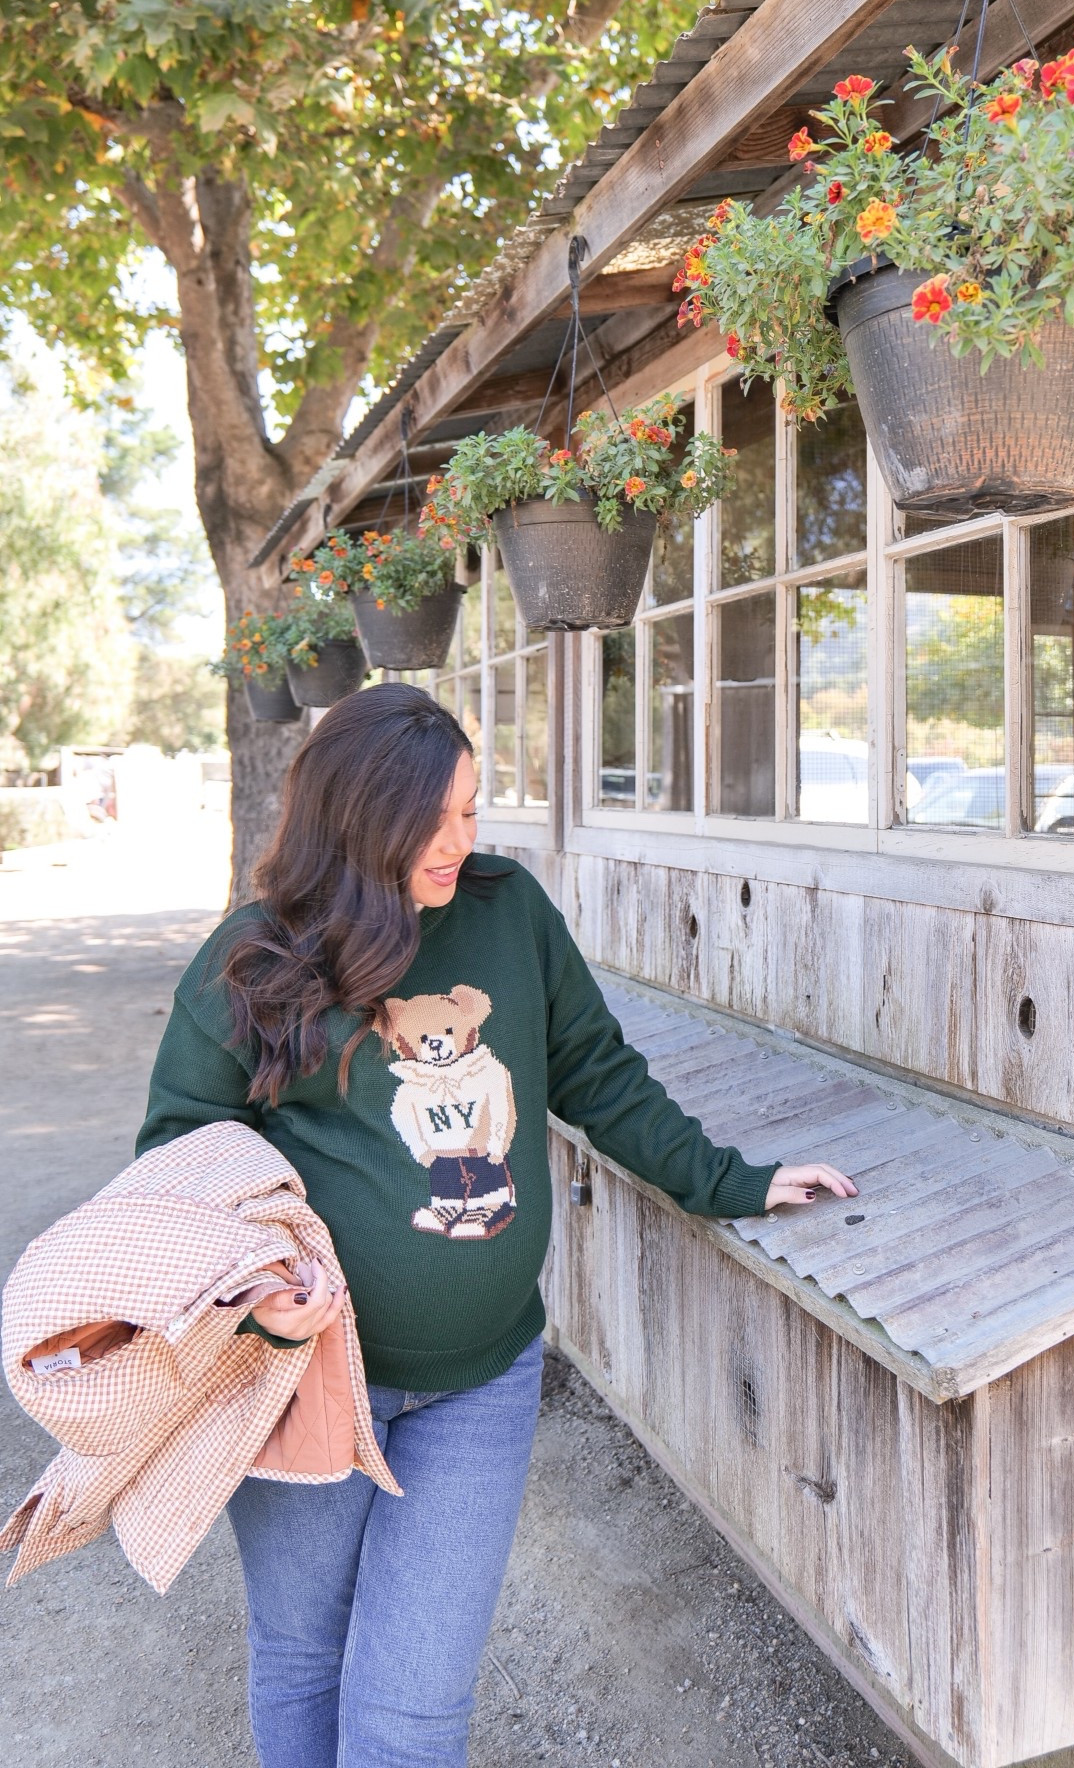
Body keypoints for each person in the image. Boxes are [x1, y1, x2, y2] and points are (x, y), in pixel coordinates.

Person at [137, 683, 855, 1768]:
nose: (458, 841)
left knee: (412, 1712)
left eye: (470, 810)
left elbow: (598, 1073)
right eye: (429, 820)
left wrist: (729, 1179)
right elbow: (178, 1154)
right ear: (353, 816)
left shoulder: (508, 910)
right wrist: (253, 1291)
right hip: (300, 1377)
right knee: (304, 1654)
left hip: (481, 1381)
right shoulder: (256, 956)